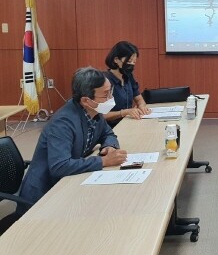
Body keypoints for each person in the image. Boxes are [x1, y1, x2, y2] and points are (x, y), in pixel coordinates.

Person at [18, 67, 128, 209]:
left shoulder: (94, 111)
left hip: (69, 183)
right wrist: (103, 161)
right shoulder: (63, 123)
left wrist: (109, 146)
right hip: (44, 195)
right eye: (106, 94)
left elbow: (107, 133)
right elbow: (60, 166)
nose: (111, 99)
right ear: (86, 100)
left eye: (111, 92)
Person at [103, 41, 150, 127]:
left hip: (127, 123)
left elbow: (139, 100)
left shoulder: (128, 77)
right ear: (116, 60)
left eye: (134, 62)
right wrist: (124, 112)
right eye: (129, 61)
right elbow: (101, 115)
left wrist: (142, 107)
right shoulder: (105, 81)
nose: (131, 64)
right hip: (110, 128)